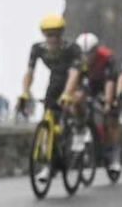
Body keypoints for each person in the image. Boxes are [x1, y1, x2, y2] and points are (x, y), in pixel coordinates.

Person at [18, 13, 81, 185]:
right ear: (44, 35)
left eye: (56, 34)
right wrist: (25, 91)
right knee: (49, 116)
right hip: (56, 79)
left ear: (62, 34)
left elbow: (74, 73)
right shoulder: (38, 48)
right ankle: (49, 164)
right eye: (49, 34)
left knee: (73, 102)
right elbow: (30, 71)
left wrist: (68, 94)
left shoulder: (72, 48)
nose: (52, 39)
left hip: (74, 78)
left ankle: (77, 131)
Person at [75, 33, 121, 172]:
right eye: (84, 54)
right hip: (91, 84)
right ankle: (81, 131)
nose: (87, 57)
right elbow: (75, 80)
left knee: (111, 115)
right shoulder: (77, 59)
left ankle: (114, 154)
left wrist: (108, 102)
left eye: (89, 53)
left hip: (108, 83)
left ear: (96, 50)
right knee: (78, 101)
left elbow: (109, 81)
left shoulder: (106, 57)